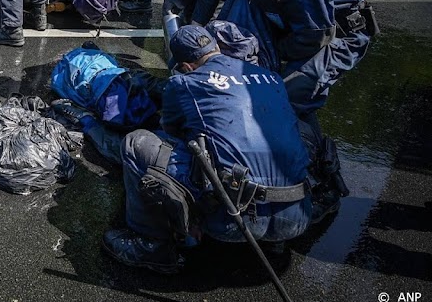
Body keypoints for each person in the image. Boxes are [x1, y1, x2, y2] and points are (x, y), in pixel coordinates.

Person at [208, 0, 375, 218]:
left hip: (337, 36)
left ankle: (323, 182)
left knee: (290, 98)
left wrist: (274, 63)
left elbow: (315, 36)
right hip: (301, 23)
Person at [103, 26, 311, 274]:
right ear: (217, 47)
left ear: (187, 65)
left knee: (137, 143)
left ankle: (152, 245)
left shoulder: (183, 82)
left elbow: (170, 133)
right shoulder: (270, 77)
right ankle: (276, 242)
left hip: (232, 221)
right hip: (297, 214)